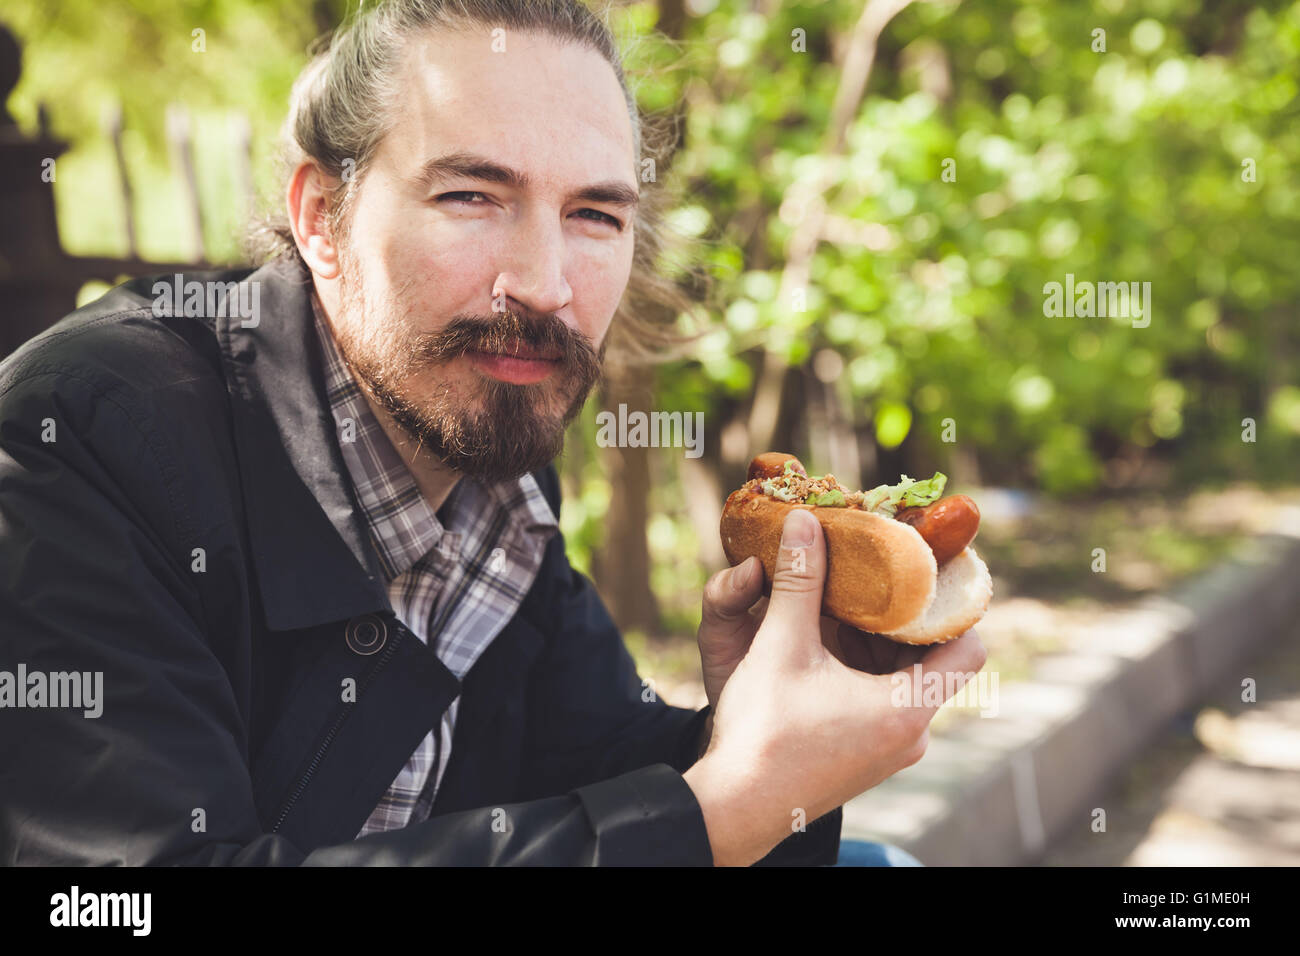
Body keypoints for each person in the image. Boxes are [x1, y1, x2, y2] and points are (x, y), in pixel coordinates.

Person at [0, 0, 985, 866]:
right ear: (320, 216)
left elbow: (581, 778)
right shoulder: (76, 441)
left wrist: (750, 732)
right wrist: (717, 810)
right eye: (471, 195)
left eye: (596, 213)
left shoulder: (494, 476)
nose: (546, 284)